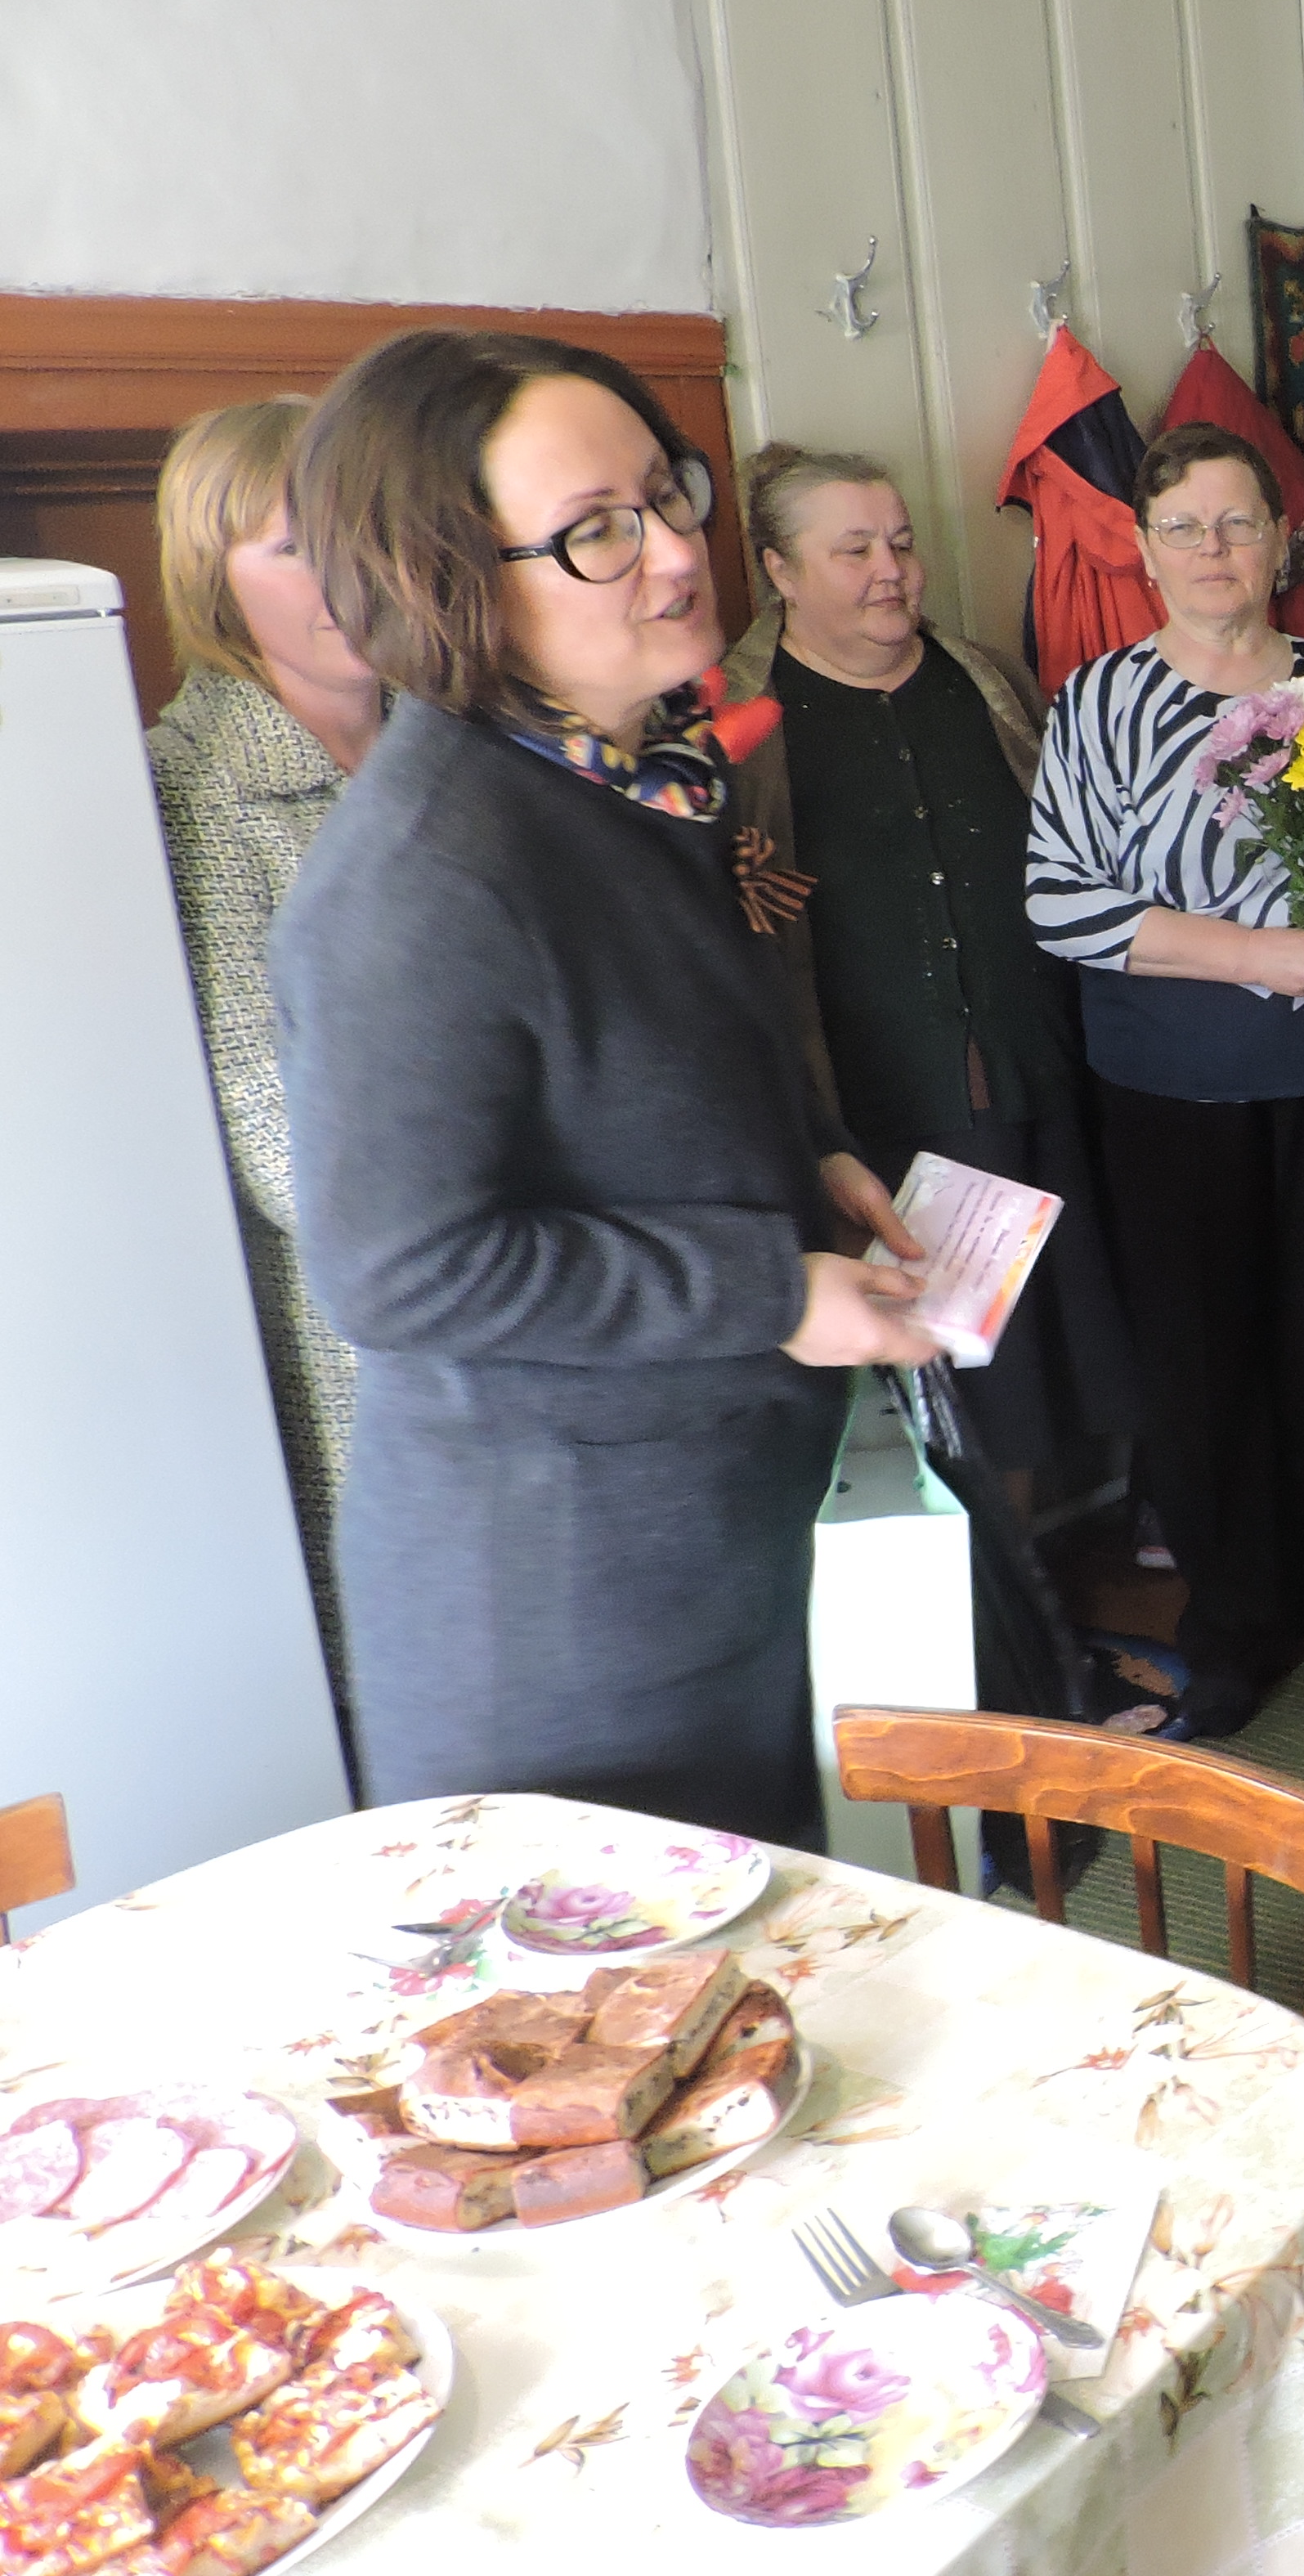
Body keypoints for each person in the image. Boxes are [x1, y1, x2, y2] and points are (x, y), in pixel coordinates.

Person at [274, 329, 937, 1844]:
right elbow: (404, 1269)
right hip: (563, 1605)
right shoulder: (426, 874)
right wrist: (769, 1287)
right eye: (594, 533)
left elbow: (663, 1056)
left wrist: (812, 1156)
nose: (675, 552)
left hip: (707, 1521)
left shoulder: (635, 770)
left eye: (667, 492)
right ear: (450, 582)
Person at [1024, 420, 1304, 1740]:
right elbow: (1059, 902)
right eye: (1183, 527)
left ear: (1281, 540)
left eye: (1238, 522)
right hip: (1166, 1087)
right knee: (1201, 1361)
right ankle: (1230, 1624)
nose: (1213, 548)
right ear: (1141, 549)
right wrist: (1262, 954)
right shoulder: (1099, 700)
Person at [720, 444, 1136, 1493]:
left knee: (1065, 1348)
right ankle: (987, 1586)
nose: (891, 571)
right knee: (955, 1387)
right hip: (877, 1104)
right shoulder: (732, 724)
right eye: (854, 550)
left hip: (1041, 1065)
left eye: (901, 544)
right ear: (779, 570)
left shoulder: (984, 682)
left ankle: (1072, 1557)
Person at [143, 396, 388, 1728]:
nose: (348, 570)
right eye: (297, 545)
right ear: (212, 576)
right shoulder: (189, 788)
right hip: (371, 1344)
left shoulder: (454, 738)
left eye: (364, 527)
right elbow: (283, 1140)